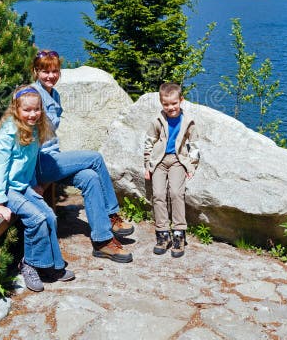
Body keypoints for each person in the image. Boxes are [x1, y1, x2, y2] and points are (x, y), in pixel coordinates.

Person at [32, 49, 134, 263]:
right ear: (35, 72)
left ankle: (103, 241)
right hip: (38, 164)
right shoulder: (32, 97)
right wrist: (34, 182)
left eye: (55, 71)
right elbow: (24, 142)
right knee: (95, 158)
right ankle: (111, 215)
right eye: (45, 71)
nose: (50, 76)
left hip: (52, 159)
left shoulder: (54, 94)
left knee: (90, 177)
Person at [0, 85, 74, 292]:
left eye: (37, 109)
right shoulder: (8, 132)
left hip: (20, 185)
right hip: (1, 188)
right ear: (16, 109)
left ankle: (51, 266)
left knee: (49, 215)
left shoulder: (35, 128)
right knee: (36, 218)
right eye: (27, 110)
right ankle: (29, 265)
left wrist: (33, 183)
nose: (33, 114)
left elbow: (29, 161)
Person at [144, 82, 200, 258]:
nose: (171, 107)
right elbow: (149, 142)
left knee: (176, 193)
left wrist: (192, 165)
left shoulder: (188, 121)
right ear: (162, 103)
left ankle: (179, 233)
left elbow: (195, 145)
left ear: (181, 100)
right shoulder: (157, 120)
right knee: (158, 194)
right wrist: (148, 164)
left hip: (177, 161)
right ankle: (162, 233)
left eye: (174, 103)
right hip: (159, 161)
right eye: (166, 104)